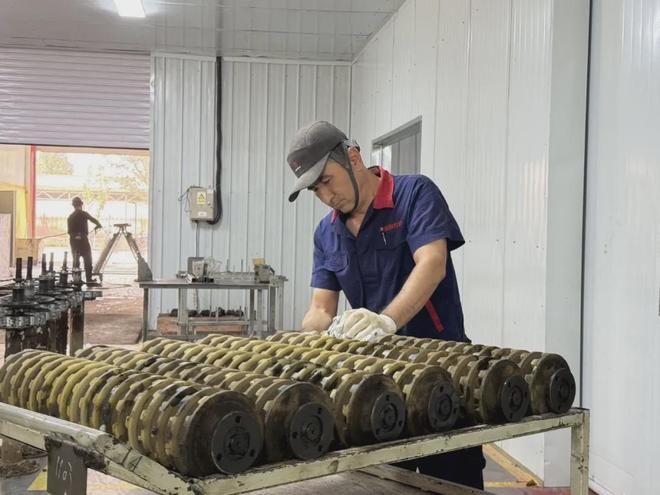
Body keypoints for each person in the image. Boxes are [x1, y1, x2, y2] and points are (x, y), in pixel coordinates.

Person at [286, 121, 485, 489]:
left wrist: (386, 321)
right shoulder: (326, 233)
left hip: (443, 372)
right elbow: (321, 309)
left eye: (327, 180)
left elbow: (432, 263)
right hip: (379, 384)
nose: (326, 196)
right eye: (315, 190)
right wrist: (304, 340)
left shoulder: (414, 194)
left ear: (353, 157)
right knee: (387, 483)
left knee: (453, 480)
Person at [67, 196, 102, 284]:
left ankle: (76, 280)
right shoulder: (84, 214)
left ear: (73, 206)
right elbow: (93, 220)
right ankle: (89, 279)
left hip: (74, 241)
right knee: (87, 259)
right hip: (83, 240)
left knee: (76, 260)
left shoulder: (70, 217)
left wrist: (75, 235)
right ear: (81, 205)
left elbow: (69, 231)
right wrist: (99, 225)